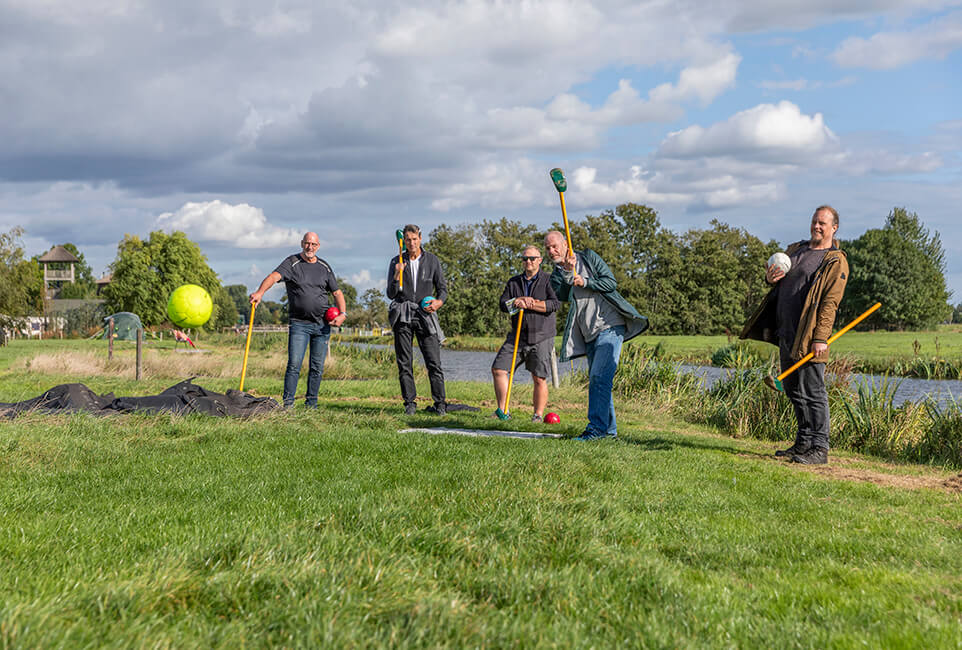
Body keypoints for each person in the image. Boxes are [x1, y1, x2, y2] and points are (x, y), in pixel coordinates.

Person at [741, 205, 848, 465]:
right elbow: (778, 281)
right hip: (785, 332)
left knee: (813, 391)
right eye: (814, 221)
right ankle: (803, 442)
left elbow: (829, 303)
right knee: (793, 389)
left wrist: (821, 338)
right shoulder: (796, 250)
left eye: (823, 223)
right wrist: (770, 278)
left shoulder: (834, 260)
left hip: (809, 335)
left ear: (834, 228)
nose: (817, 226)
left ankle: (819, 449)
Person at [545, 231, 648, 440]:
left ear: (566, 244)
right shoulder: (557, 274)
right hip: (588, 334)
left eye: (554, 246)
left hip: (610, 326)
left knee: (599, 378)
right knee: (600, 381)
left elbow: (610, 283)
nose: (551, 251)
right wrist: (567, 271)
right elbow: (562, 294)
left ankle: (596, 430)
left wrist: (586, 282)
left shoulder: (589, 257)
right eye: (547, 248)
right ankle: (609, 433)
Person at [250, 232, 346, 409]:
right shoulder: (292, 262)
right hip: (299, 324)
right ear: (302, 243)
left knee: (317, 367)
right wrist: (260, 293)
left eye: (313, 244)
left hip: (322, 325)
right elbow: (273, 277)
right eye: (307, 243)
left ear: (318, 246)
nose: (310, 247)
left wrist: (342, 314)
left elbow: (337, 293)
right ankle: (288, 405)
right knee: (294, 364)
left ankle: (312, 405)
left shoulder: (324, 266)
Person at [492, 245, 561, 422]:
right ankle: (502, 411)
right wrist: (517, 301)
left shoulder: (549, 280)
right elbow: (503, 305)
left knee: (539, 377)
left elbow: (554, 305)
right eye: (525, 259)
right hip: (517, 335)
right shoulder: (514, 282)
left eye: (532, 258)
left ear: (539, 260)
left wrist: (530, 304)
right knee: (499, 369)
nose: (528, 262)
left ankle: (537, 415)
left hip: (541, 336)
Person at [386, 224, 447, 416]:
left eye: (414, 239)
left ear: (420, 238)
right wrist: (397, 273)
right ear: (403, 240)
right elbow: (390, 293)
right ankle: (410, 403)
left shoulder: (432, 261)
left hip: (425, 314)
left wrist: (439, 302)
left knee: (433, 362)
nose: (411, 243)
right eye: (408, 240)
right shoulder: (396, 261)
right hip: (403, 314)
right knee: (405, 362)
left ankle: (440, 404)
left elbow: (443, 289)